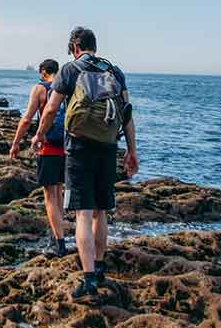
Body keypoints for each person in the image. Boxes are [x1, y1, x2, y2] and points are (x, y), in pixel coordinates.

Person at [33, 27, 139, 301]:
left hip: (78, 147)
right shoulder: (114, 72)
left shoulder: (70, 70)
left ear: (75, 47)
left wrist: (40, 135)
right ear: (95, 45)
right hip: (107, 147)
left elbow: (52, 108)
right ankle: (101, 266)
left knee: (82, 212)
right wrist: (131, 151)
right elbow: (126, 114)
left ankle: (89, 278)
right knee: (101, 211)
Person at [9, 59, 68, 257]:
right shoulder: (66, 88)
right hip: (67, 148)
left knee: (49, 195)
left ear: (43, 72)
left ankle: (59, 243)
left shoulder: (41, 89)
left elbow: (27, 118)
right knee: (58, 190)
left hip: (48, 146)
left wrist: (16, 142)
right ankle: (57, 234)